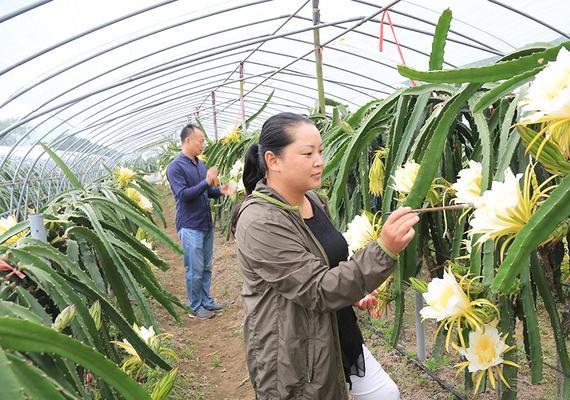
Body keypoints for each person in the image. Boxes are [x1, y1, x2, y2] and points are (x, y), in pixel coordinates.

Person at [230, 113, 419, 399]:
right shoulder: (259, 222)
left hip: (336, 330)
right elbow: (317, 288)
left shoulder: (313, 200)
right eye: (307, 153)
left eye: (320, 150)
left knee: (386, 394)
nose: (319, 160)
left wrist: (353, 293)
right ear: (272, 160)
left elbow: (327, 265)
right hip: (295, 351)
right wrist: (384, 250)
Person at [167, 124, 236, 320]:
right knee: (194, 269)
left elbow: (206, 192)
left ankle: (206, 301)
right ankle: (195, 307)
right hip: (190, 226)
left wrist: (220, 190)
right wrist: (206, 181)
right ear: (188, 141)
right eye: (201, 141)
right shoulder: (175, 167)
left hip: (205, 224)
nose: (203, 145)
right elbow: (184, 195)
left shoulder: (200, 164)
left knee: (206, 267)